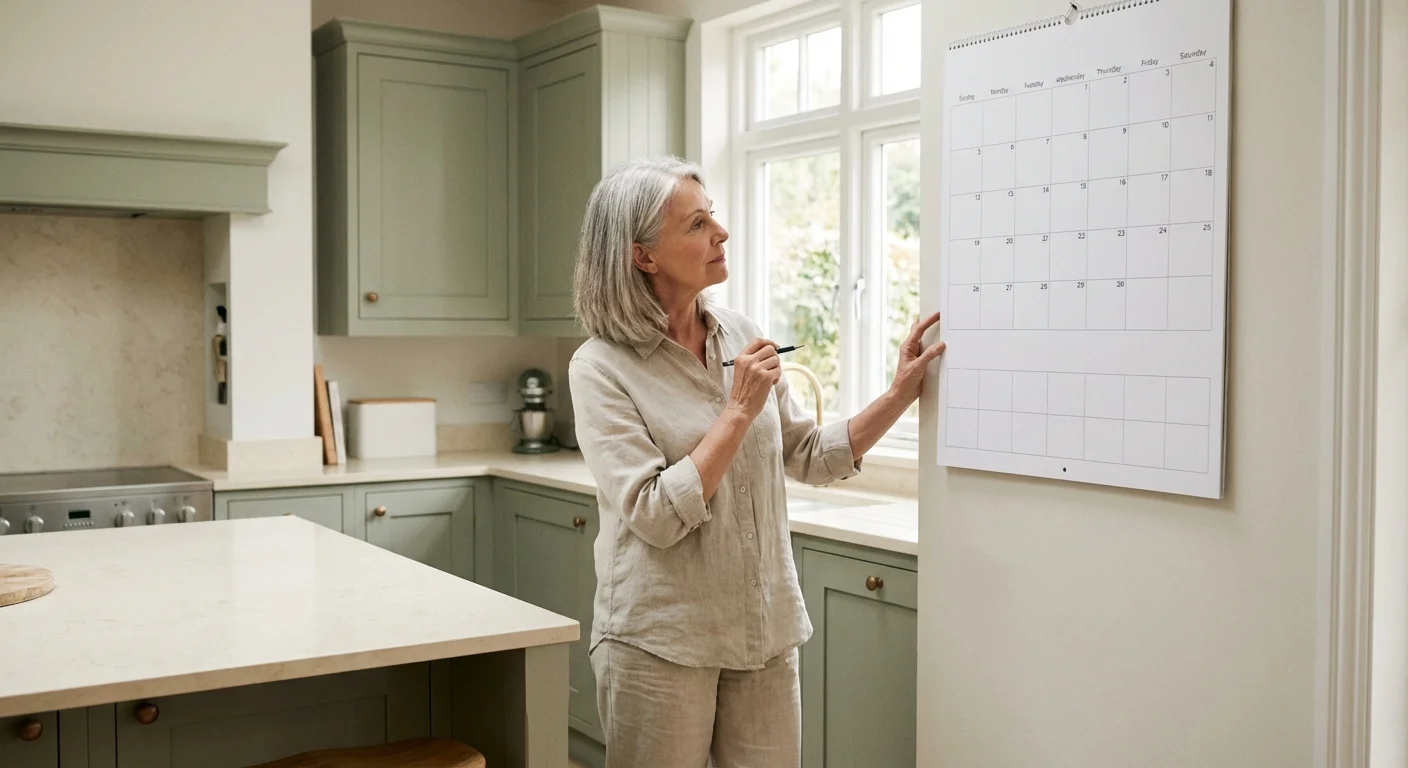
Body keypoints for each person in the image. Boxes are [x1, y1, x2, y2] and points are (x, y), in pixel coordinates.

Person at [567, 155, 945, 768]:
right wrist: (737, 410)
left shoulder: (740, 331)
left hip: (762, 628)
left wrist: (900, 392)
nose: (719, 232)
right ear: (643, 256)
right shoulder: (600, 367)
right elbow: (656, 514)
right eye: (695, 224)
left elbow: (809, 454)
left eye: (711, 215)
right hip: (660, 640)